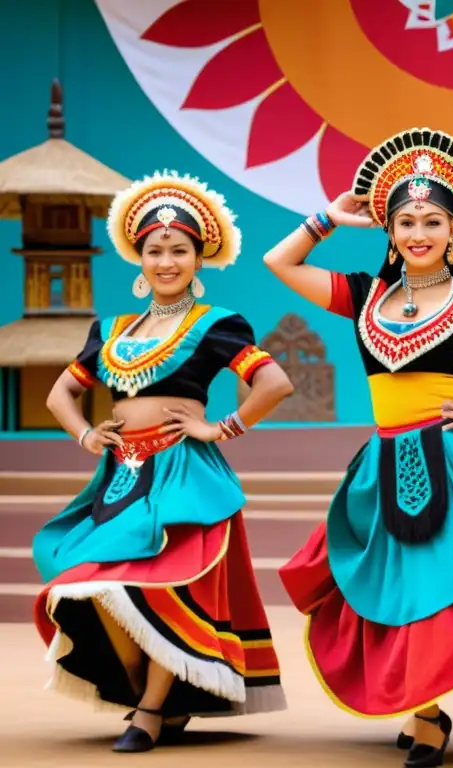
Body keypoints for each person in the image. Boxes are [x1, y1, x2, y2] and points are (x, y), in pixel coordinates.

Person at [266, 128, 453, 768]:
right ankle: (421, 705)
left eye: (433, 220)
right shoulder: (364, 294)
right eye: (405, 221)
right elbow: (279, 263)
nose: (418, 232)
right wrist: (327, 218)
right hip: (385, 454)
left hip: (449, 456)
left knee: (436, 577)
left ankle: (427, 714)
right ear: (390, 231)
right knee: (395, 581)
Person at [32, 171, 294, 752]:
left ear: (198, 259)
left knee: (164, 588)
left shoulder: (216, 324)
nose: (167, 261)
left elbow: (274, 383)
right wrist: (84, 436)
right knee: (94, 587)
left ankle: (149, 711)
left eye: (179, 250)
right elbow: (60, 395)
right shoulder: (113, 330)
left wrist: (218, 428)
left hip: (182, 474)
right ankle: (153, 696)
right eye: (156, 250)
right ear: (140, 258)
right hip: (122, 477)